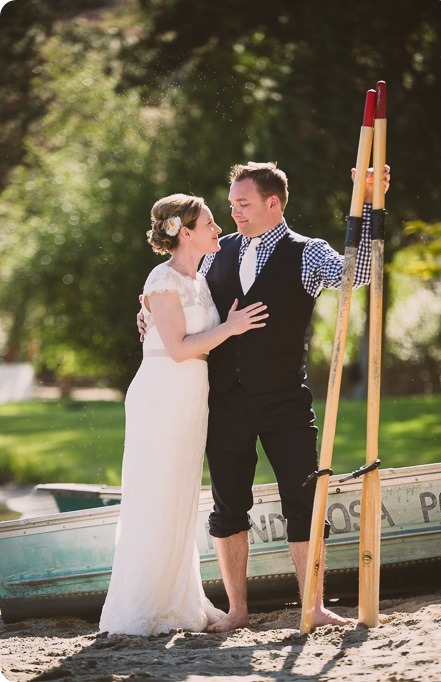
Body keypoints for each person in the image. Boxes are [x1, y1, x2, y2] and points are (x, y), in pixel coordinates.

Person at [137, 162, 391, 633]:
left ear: (273, 203)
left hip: (284, 401)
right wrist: (146, 312)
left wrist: (371, 205)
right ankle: (237, 611)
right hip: (224, 401)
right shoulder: (216, 250)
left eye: (243, 204)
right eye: (231, 204)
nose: (232, 212)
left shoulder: (307, 252)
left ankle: (312, 607)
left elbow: (360, 274)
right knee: (229, 506)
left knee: (304, 501)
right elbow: (177, 285)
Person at [99, 193, 268, 637]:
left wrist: (152, 315)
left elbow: (175, 325)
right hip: (162, 397)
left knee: (180, 497)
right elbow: (175, 349)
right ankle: (142, 606)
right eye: (210, 223)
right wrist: (230, 328)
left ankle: (180, 597)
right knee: (155, 495)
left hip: (192, 399)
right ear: (185, 232)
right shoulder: (163, 278)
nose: (219, 229)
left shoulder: (199, 277)